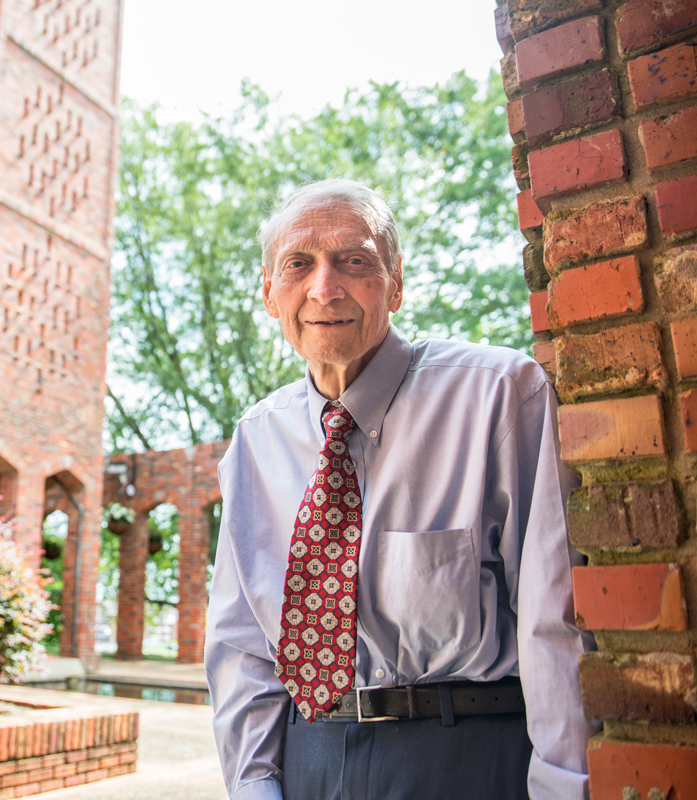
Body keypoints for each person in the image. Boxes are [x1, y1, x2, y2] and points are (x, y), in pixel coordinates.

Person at [204, 179, 597, 800]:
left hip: (468, 757)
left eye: (354, 261)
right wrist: (255, 788)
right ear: (270, 294)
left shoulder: (498, 396)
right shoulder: (256, 440)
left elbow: (557, 624)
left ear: (396, 282)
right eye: (298, 264)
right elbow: (242, 648)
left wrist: (565, 789)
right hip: (308, 759)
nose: (324, 287)